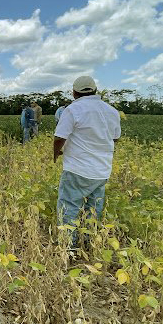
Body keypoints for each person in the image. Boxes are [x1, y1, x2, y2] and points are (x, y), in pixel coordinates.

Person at [53, 76, 121, 250]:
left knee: (69, 207)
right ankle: (90, 243)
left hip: (77, 168)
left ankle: (69, 247)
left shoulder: (73, 109)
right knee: (93, 208)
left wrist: (56, 154)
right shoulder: (111, 111)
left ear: (74, 92)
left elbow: (60, 137)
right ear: (95, 90)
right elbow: (115, 139)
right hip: (102, 170)